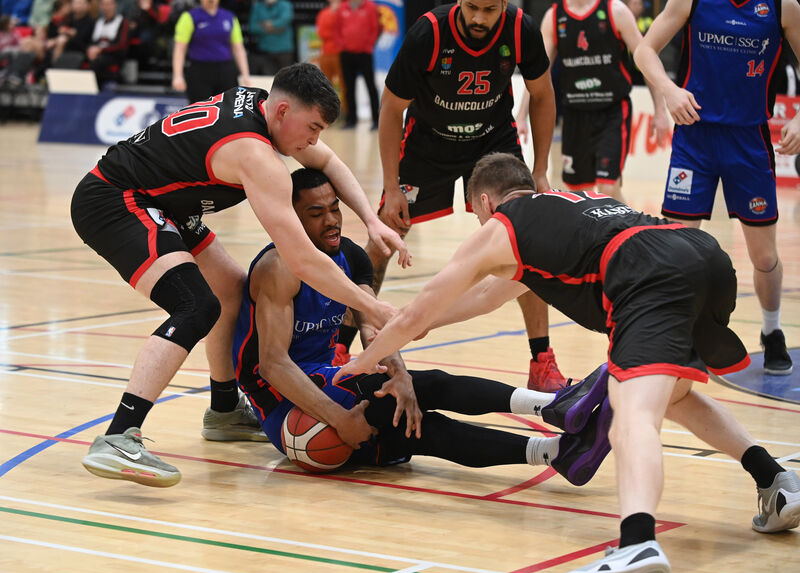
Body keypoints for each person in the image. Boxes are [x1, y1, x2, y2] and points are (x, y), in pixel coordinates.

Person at [334, 152, 800, 573]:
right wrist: (423, 325)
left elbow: (417, 311)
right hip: (701, 256)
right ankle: (775, 480)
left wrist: (362, 362)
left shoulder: (501, 226)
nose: (481, 223)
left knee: (631, 414)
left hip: (645, 275)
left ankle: (637, 543)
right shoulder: (566, 206)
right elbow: (485, 297)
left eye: (478, 215)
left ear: (485, 202)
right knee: (673, 397)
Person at [73, 63, 410, 488]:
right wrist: (371, 306)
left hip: (163, 203)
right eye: (313, 128)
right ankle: (118, 436)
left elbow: (327, 160)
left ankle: (224, 410)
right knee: (196, 305)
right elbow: (303, 261)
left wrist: (371, 221)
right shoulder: (255, 155)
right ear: (284, 111)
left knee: (231, 290)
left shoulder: (262, 105)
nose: (313, 141)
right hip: (115, 201)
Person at [234, 166, 613, 485]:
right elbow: (273, 365)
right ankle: (552, 409)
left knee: (418, 421)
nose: (332, 220)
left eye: (335, 209)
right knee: (424, 395)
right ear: (291, 219)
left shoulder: (349, 255)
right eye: (316, 214)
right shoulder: (278, 268)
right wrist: (339, 420)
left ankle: (555, 448)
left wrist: (399, 373)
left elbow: (374, 327)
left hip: (325, 380)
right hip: (283, 404)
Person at [348, 0, 566, 393]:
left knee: (527, 239)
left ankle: (542, 361)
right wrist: (392, 186)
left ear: (504, 4)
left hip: (492, 139)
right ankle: (337, 345)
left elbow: (543, 95)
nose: (479, 18)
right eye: (471, 7)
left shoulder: (520, 30)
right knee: (383, 239)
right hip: (427, 142)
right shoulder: (428, 33)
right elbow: (391, 108)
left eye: (489, 9)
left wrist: (539, 170)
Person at [634, 0, 800, 376]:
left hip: (749, 141)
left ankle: (772, 331)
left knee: (764, 256)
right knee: (676, 248)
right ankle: (676, 335)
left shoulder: (782, 7)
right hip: (695, 138)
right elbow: (644, 50)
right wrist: (668, 90)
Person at [517, 0, 669, 199]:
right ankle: (610, 218)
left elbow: (647, 61)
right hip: (574, 114)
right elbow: (538, 74)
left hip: (612, 112)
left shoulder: (616, 11)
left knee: (608, 188)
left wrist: (660, 110)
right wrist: (521, 116)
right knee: (578, 193)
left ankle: (623, 220)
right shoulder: (553, 17)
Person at [172, 0, 251, 103]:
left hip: (226, 70)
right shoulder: (189, 17)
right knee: (200, 107)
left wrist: (245, 74)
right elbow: (180, 48)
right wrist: (177, 76)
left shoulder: (229, 17)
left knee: (227, 107)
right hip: (200, 70)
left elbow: (238, 48)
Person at [336, 0, 381, 128]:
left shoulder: (370, 7)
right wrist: (342, 45)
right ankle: (351, 119)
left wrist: (368, 45)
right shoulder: (342, 8)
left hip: (364, 53)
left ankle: (376, 119)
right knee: (349, 87)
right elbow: (336, 30)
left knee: (370, 85)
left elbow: (375, 28)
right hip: (346, 53)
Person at [86, 0, 130, 86]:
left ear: (115, 5)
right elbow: (92, 41)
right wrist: (90, 49)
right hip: (97, 54)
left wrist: (101, 50)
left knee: (97, 63)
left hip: (113, 55)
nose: (106, 7)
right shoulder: (98, 21)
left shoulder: (122, 22)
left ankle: (92, 88)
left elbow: (122, 44)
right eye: (104, 4)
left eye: (109, 4)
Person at [248, 0, 295, 76]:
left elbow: (284, 21)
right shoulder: (257, 6)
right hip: (265, 51)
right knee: (268, 78)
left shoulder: (285, 4)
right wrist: (275, 28)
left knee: (286, 77)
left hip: (284, 50)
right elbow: (252, 27)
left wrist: (264, 25)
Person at [315, 0, 345, 110]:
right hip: (327, 53)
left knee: (344, 85)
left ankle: (346, 112)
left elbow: (346, 31)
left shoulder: (345, 12)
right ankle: (327, 110)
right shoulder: (324, 13)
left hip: (342, 53)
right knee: (326, 85)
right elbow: (321, 33)